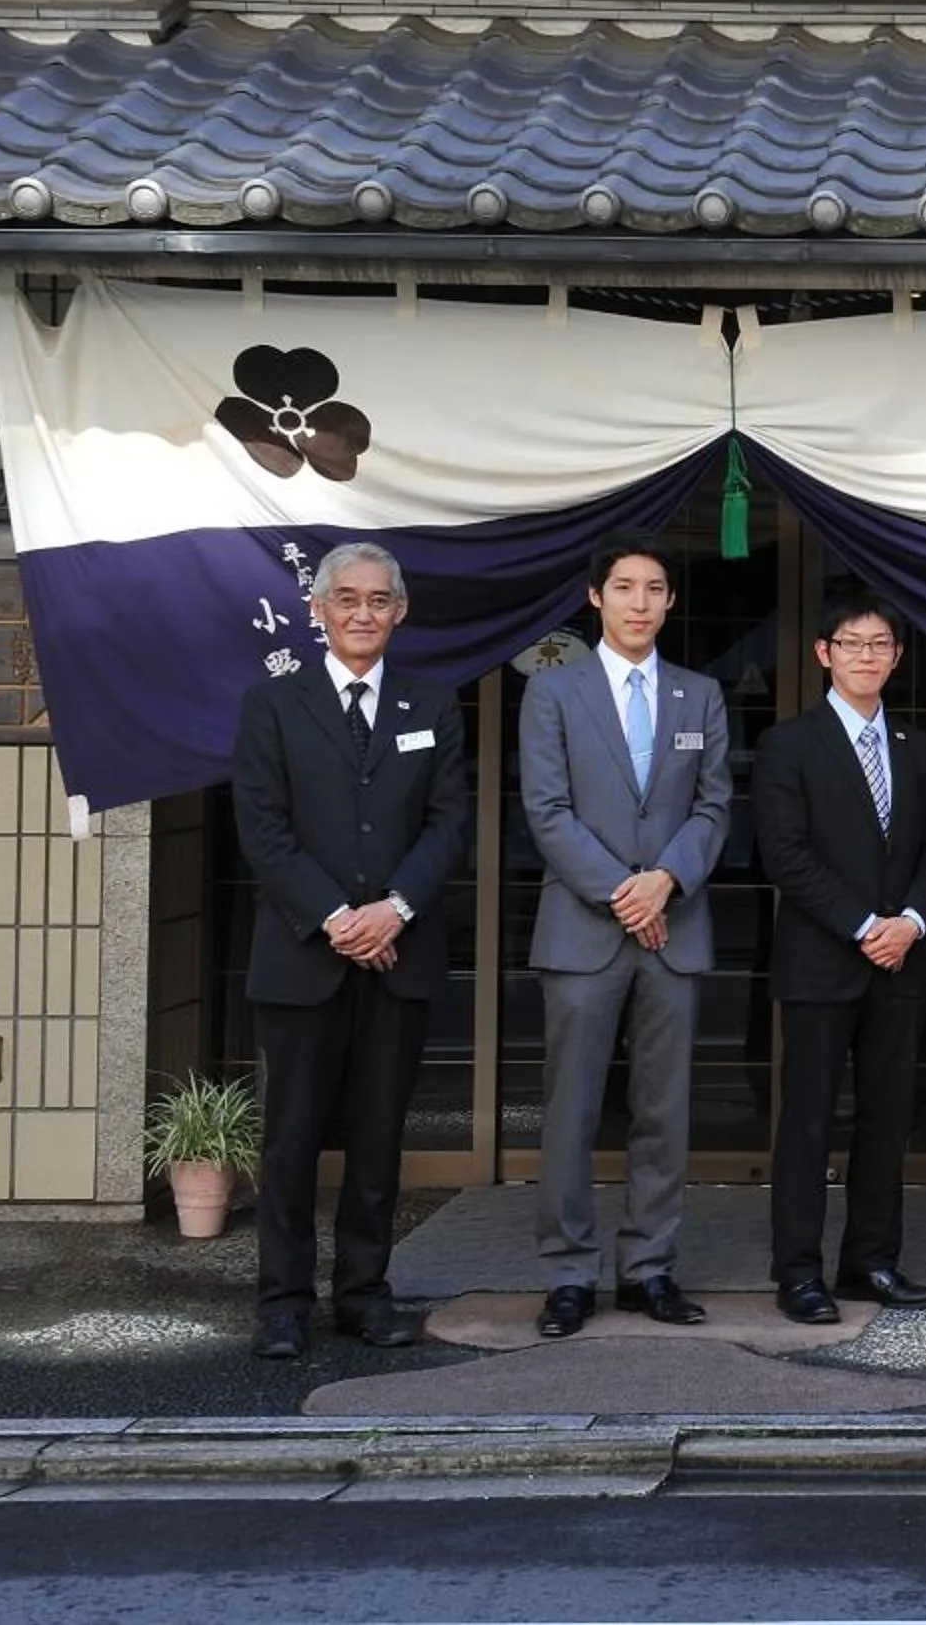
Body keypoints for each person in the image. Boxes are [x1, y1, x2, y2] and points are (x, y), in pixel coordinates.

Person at [230, 541, 471, 1361]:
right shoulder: (272, 705)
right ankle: (283, 1303)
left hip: (398, 956)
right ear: (319, 610)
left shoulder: (431, 706)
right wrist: (338, 916)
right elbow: (262, 830)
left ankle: (364, 1294)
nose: (363, 612)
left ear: (400, 613)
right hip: (305, 957)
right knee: (291, 1139)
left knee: (378, 1140)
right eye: (347, 599)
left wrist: (394, 910)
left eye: (379, 600)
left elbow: (449, 824)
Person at [519, 533, 733, 1338]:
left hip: (673, 929)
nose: (639, 602)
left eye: (654, 589)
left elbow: (714, 807)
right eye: (624, 587)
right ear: (595, 599)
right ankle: (569, 1274)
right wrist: (623, 891)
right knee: (570, 1109)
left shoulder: (698, 695)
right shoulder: (554, 693)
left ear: (671, 602)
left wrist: (666, 882)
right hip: (584, 929)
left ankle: (650, 1265)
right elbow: (546, 810)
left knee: (663, 1110)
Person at [753, 593, 926, 1325]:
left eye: (880, 645)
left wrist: (911, 922)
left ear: (897, 658)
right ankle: (798, 1270)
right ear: (822, 654)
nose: (867, 655)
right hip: (820, 961)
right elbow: (785, 855)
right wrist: (866, 923)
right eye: (852, 643)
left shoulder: (916, 747)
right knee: (807, 1119)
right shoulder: (788, 746)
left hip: (902, 961)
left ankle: (872, 1260)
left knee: (886, 1118)